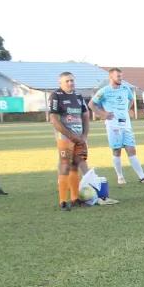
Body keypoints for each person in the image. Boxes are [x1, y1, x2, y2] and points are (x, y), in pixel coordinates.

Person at [89, 68, 144, 185]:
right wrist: (103, 115)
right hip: (113, 124)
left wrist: (127, 109)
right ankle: (120, 177)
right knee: (117, 150)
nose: (121, 78)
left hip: (126, 124)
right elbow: (91, 104)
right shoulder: (104, 91)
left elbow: (131, 100)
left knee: (131, 149)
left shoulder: (125, 89)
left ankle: (142, 177)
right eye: (118, 76)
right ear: (111, 77)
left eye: (121, 76)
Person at [49, 72, 90, 210]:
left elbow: (85, 114)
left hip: (79, 137)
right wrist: (69, 135)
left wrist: (84, 135)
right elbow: (53, 119)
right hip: (65, 137)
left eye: (72, 80)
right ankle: (62, 201)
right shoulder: (56, 95)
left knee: (75, 165)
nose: (70, 83)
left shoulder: (78, 96)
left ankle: (74, 198)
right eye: (67, 81)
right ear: (60, 83)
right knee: (65, 165)